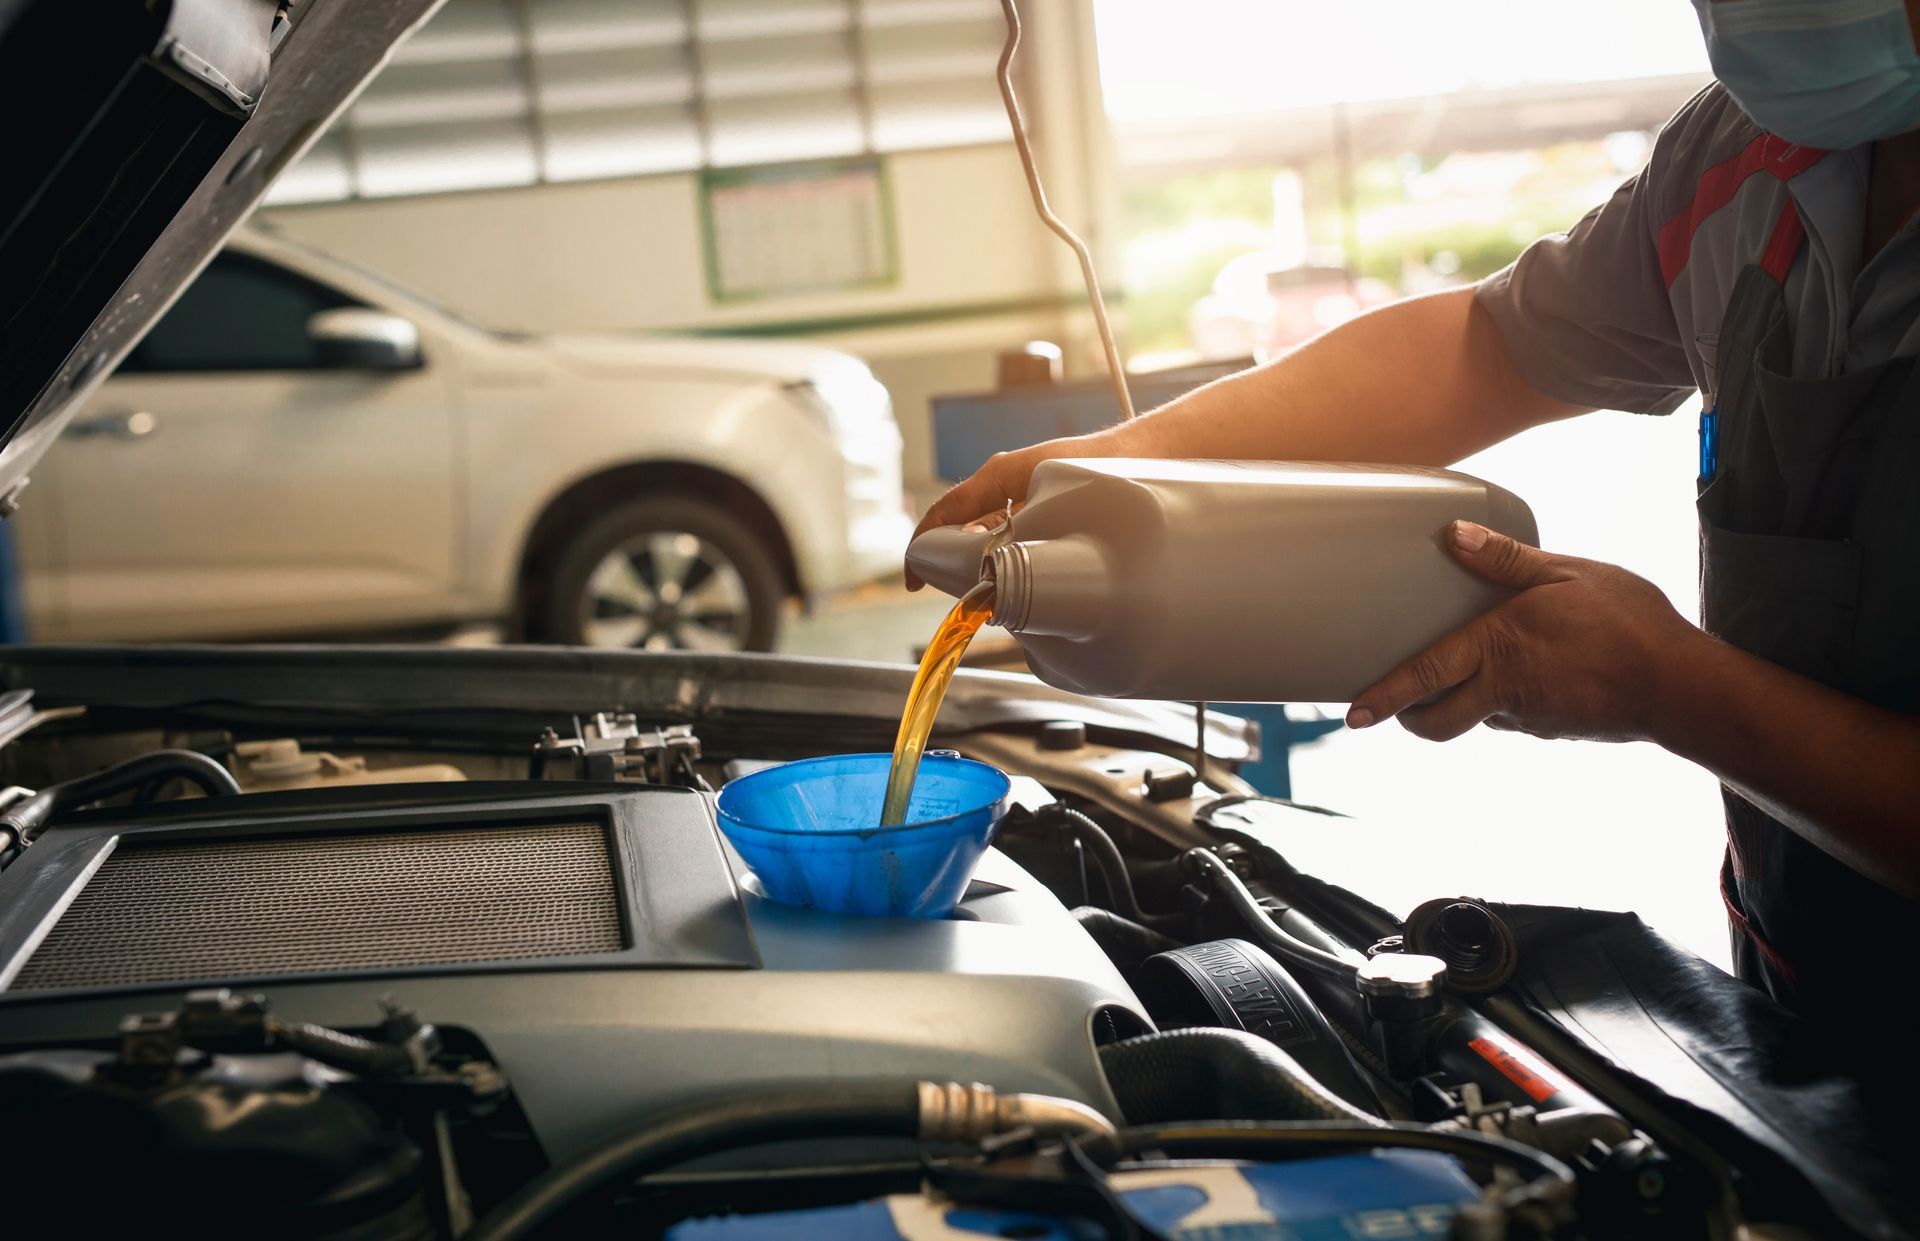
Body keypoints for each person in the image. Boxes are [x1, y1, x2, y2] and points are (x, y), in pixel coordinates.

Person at [909, 0, 1920, 1031]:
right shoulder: (1744, 162)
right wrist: (1121, 463)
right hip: (1798, 986)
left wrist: (1666, 685)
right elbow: (1486, 348)